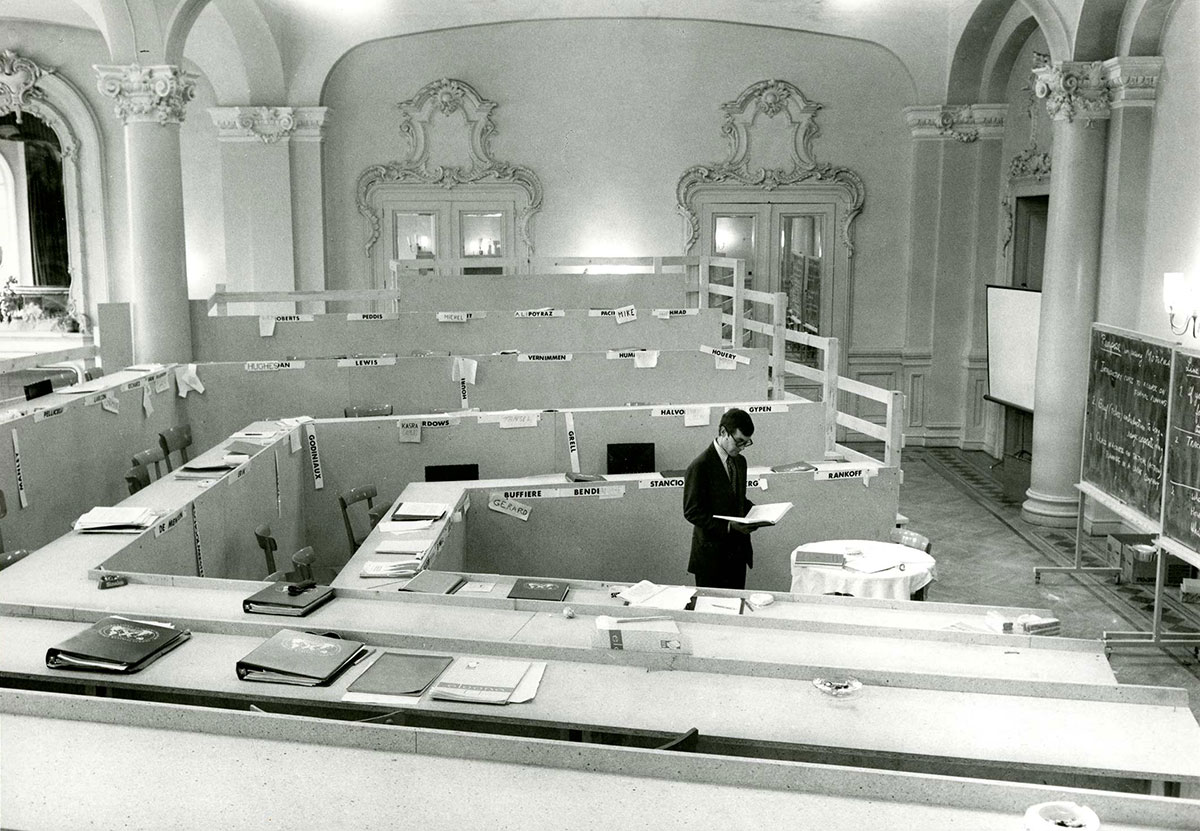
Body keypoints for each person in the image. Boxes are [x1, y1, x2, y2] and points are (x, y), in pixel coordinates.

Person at [683, 407, 757, 589]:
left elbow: (738, 499)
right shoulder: (700, 465)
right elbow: (692, 512)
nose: (741, 448)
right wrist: (729, 527)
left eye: (746, 443)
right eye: (739, 441)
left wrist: (757, 513)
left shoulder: (740, 462)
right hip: (711, 559)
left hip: (738, 554)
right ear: (723, 432)